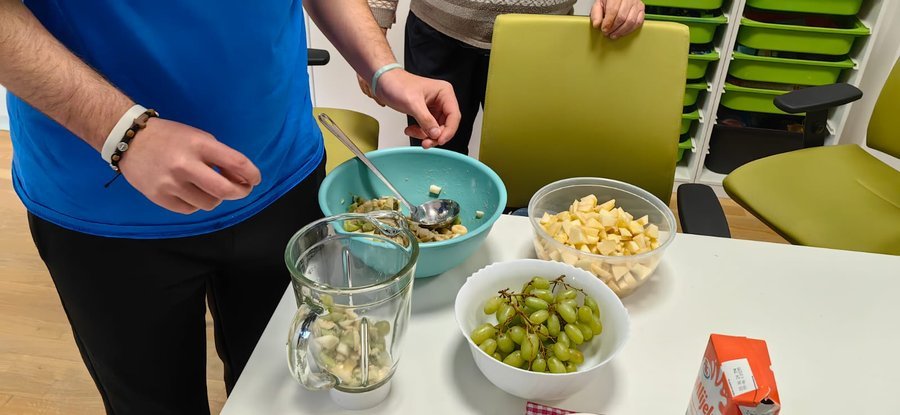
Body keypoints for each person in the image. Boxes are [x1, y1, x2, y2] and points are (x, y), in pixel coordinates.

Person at [0, 1, 459, 413]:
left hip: (283, 176)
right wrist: (120, 130)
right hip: (105, 211)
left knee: (287, 389)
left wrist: (381, 68)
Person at [360, 0, 645, 155]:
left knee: (529, 166)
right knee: (436, 156)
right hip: (438, 30)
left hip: (544, 38)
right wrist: (372, 28)